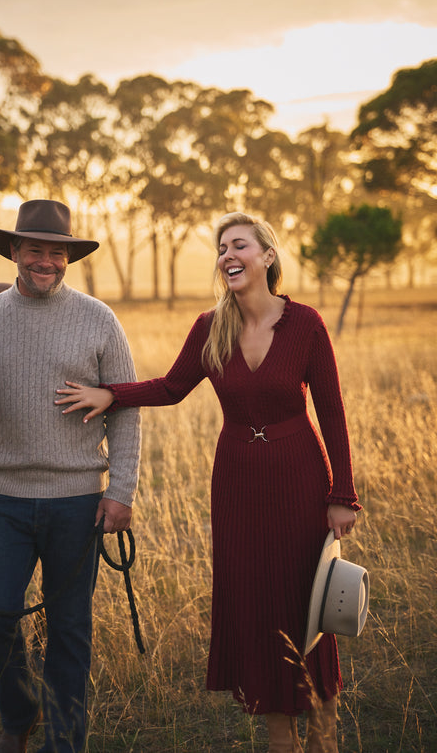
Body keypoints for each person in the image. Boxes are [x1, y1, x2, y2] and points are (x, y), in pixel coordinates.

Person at [55, 211, 361, 753]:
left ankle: (324, 730)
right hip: (237, 480)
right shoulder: (209, 326)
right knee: (256, 602)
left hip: (299, 474)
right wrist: (112, 394)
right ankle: (279, 737)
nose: (227, 256)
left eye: (238, 245)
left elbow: (332, 413)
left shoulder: (306, 324)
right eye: (221, 249)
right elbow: (172, 387)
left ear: (267, 256)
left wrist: (343, 495)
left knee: (305, 598)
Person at [0, 200, 141, 753]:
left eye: (56, 251)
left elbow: (126, 410)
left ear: (68, 256)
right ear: (14, 252)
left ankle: (65, 742)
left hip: (77, 503)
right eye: (35, 250)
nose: (46, 261)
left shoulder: (99, 320)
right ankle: (18, 717)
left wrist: (121, 491)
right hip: (3, 502)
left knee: (69, 630)